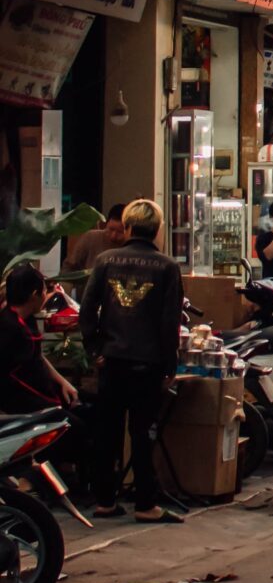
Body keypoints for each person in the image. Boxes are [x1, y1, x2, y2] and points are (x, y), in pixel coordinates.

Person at [79, 199, 184, 523]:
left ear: (127, 227)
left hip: (111, 361)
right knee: (142, 433)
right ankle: (145, 504)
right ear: (157, 229)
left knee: (107, 432)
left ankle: (105, 501)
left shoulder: (106, 260)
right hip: (147, 364)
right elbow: (169, 323)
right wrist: (170, 365)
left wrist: (95, 347)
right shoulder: (167, 267)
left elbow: (86, 309)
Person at [1, 263, 80, 412]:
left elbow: (38, 357)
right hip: (26, 405)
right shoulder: (10, 328)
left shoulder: (28, 318)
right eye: (44, 290)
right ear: (34, 295)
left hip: (42, 395)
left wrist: (63, 382)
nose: (47, 294)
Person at [65, 203, 126, 274]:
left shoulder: (131, 246)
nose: (113, 236)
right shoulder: (91, 237)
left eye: (120, 232)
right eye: (111, 229)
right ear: (106, 224)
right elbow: (70, 265)